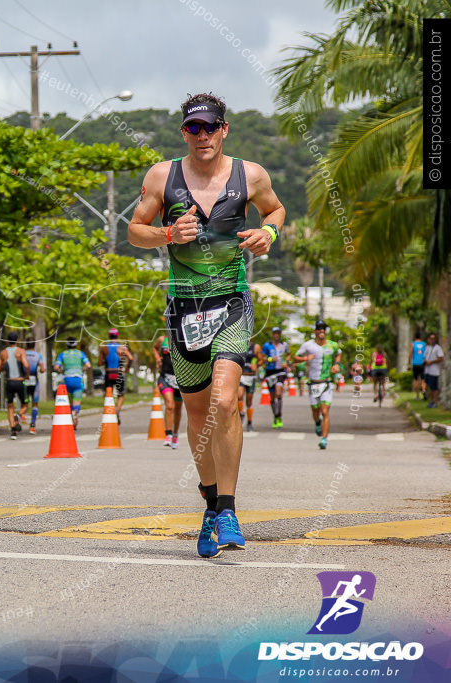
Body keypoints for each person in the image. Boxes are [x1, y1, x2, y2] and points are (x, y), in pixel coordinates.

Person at [128, 92, 286, 558]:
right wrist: (166, 234)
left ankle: (230, 509)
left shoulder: (250, 174)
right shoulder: (162, 175)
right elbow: (135, 230)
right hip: (183, 309)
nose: (203, 136)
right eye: (193, 129)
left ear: (224, 130)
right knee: (197, 413)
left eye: (210, 127)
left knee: (224, 400)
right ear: (184, 133)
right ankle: (212, 501)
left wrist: (268, 233)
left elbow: (274, 210)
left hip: (231, 302)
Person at [293, 320, 342, 450]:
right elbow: (295, 357)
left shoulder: (333, 345)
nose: (321, 331)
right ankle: (317, 423)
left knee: (325, 411)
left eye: (324, 329)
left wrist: (337, 365)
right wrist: (305, 359)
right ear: (315, 331)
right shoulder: (308, 345)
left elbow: (339, 354)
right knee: (315, 411)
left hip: (327, 382)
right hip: (313, 383)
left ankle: (324, 439)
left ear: (326, 331)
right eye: (319, 328)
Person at [0, 331, 31, 439]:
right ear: (18, 340)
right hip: (20, 381)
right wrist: (27, 375)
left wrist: (4, 368)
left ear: (7, 341)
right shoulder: (21, 351)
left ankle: (13, 431)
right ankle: (19, 415)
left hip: (9, 381)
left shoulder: (3, 353)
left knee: (10, 407)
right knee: (25, 405)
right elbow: (26, 364)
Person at [154, 333, 183, 449]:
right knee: (170, 405)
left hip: (180, 379)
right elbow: (155, 348)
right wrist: (157, 358)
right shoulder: (162, 339)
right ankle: (168, 434)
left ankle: (175, 434)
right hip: (165, 377)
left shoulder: (184, 339)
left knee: (178, 408)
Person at [54, 338, 91, 427]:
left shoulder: (63, 354)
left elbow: (56, 367)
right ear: (75, 345)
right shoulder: (80, 353)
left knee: (69, 400)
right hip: (78, 379)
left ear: (67, 345)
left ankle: (71, 415)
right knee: (77, 400)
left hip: (67, 379)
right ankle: (75, 413)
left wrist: (61, 371)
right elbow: (88, 365)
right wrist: (82, 370)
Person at [98, 328, 133, 419]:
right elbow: (131, 358)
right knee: (121, 394)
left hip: (109, 373)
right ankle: (117, 409)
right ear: (117, 336)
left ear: (109, 336)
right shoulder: (122, 348)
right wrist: (127, 368)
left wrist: (106, 360)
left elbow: (99, 363)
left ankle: (110, 411)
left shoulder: (104, 348)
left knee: (108, 394)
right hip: (118, 373)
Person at [259, 327, 290, 428]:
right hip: (270, 372)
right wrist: (270, 359)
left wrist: (286, 362)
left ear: (280, 334)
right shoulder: (267, 345)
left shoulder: (284, 345)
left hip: (280, 371)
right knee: (272, 397)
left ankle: (279, 416)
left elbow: (289, 354)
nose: (276, 335)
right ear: (272, 335)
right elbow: (262, 358)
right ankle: (275, 416)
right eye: (275, 333)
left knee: (278, 392)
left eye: (278, 333)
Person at [23, 339, 45, 434]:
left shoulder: (23, 354)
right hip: (34, 380)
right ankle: (32, 425)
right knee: (35, 404)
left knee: (25, 403)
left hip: (24, 380)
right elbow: (43, 369)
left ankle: (20, 417)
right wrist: (40, 370)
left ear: (26, 344)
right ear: (34, 345)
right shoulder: (38, 355)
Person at [237, 341, 260, 432]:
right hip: (241, 375)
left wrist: (257, 365)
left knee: (249, 402)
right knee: (239, 396)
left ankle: (250, 422)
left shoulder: (256, 346)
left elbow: (262, 359)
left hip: (251, 376)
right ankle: (241, 413)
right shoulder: (238, 344)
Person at [424, 332, 444, 408]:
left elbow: (441, 358)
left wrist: (431, 362)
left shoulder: (438, 348)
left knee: (434, 387)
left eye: (433, 339)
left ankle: (435, 401)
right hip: (427, 370)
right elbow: (425, 357)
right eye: (430, 339)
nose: (432, 340)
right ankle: (431, 400)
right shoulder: (428, 348)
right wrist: (425, 362)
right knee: (429, 386)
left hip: (434, 371)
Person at [412, 331, 427, 400]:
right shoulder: (424, 344)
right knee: (423, 379)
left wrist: (408, 363)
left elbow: (410, 354)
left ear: (415, 337)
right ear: (420, 337)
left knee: (415, 380)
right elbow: (426, 353)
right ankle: (423, 390)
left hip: (415, 363)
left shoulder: (413, 344)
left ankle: (417, 395)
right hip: (422, 363)